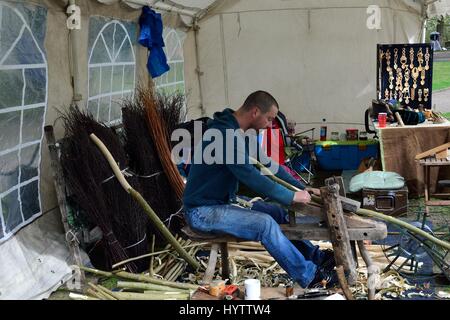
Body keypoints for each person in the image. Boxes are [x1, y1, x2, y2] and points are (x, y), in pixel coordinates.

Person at [182, 91, 337, 288]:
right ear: (255, 112)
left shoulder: (238, 132)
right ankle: (310, 276)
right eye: (269, 118)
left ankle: (317, 258)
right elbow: (251, 176)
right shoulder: (224, 135)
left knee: (276, 212)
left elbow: (269, 166)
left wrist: (303, 187)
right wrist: (290, 196)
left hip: (222, 203)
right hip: (201, 211)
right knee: (265, 224)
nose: (269, 124)